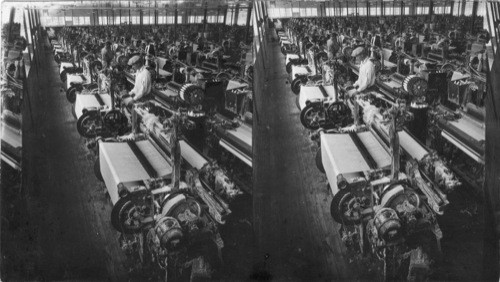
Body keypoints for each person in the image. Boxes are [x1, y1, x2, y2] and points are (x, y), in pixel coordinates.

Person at [344, 46, 377, 131]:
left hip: (369, 90)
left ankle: (359, 123)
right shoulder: (363, 64)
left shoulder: (369, 65)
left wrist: (357, 91)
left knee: (358, 101)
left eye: (357, 57)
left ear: (362, 55)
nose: (356, 59)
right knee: (347, 94)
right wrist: (354, 85)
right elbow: (360, 79)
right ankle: (354, 118)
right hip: (363, 88)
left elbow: (366, 82)